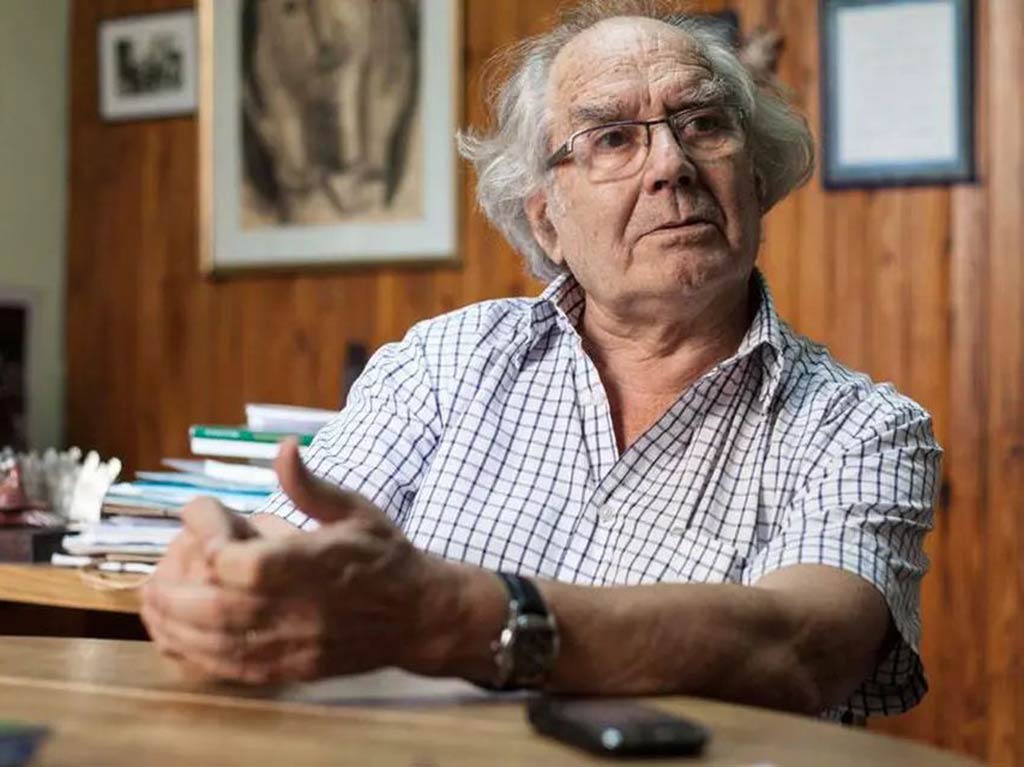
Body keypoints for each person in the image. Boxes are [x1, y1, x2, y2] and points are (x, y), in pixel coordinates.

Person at [142, 0, 941, 721]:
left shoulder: (863, 429)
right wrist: (220, 574)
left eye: (703, 123)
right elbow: (280, 559)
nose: (671, 164)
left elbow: (803, 647)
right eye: (613, 138)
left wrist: (456, 615)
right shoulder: (444, 362)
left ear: (757, 179)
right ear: (547, 223)